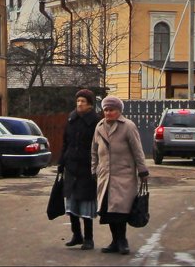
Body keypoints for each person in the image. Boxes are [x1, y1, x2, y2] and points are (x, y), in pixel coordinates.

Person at [91, 95, 149, 255]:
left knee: (120, 210)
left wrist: (142, 169)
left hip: (123, 174)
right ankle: (114, 241)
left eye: (112, 110)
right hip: (105, 175)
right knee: (108, 211)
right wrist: (93, 169)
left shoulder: (128, 126)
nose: (108, 113)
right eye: (106, 110)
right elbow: (94, 150)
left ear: (119, 111)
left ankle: (122, 241)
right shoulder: (99, 126)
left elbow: (137, 149)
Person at [57, 88, 100, 250]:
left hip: (87, 168)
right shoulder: (71, 119)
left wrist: (96, 166)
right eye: (78, 101)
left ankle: (89, 239)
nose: (79, 104)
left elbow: (98, 146)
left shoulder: (95, 121)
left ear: (89, 104)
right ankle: (76, 235)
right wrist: (62, 163)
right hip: (71, 166)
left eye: (83, 101)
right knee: (72, 202)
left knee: (86, 203)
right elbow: (65, 143)